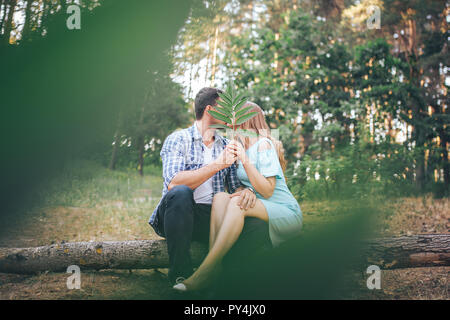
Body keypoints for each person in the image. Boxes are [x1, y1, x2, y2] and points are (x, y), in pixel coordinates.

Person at [173, 102, 303, 292]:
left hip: (285, 211)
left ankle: (206, 271)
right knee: (220, 197)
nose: (230, 122)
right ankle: (214, 264)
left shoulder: (263, 145)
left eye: (235, 118)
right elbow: (246, 185)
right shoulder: (242, 147)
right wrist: (246, 189)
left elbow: (267, 190)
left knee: (237, 204)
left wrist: (244, 159)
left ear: (247, 120)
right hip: (262, 205)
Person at [149, 88, 271, 285]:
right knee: (181, 192)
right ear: (210, 110)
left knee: (259, 225)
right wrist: (217, 164)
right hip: (178, 215)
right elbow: (174, 182)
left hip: (211, 217)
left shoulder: (226, 145)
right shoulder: (178, 139)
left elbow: (234, 187)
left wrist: (246, 192)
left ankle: (221, 273)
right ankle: (181, 273)